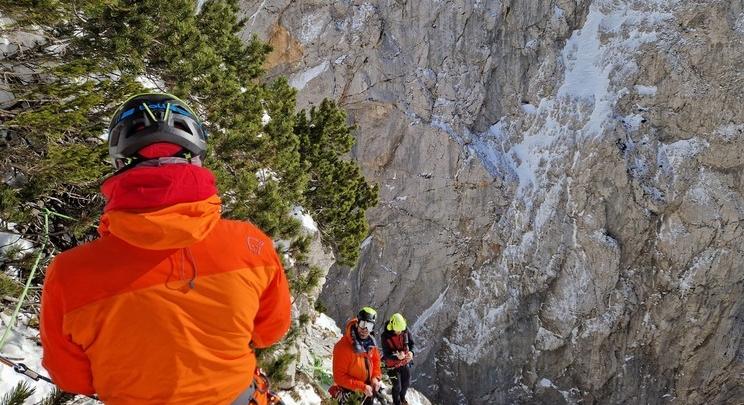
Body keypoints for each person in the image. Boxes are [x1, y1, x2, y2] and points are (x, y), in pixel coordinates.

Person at [40, 93, 291, 405]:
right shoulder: (250, 245)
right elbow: (270, 330)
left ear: (120, 164)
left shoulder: (69, 274)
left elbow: (72, 378)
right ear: (196, 157)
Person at [331, 306, 383, 404]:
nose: (365, 329)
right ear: (357, 323)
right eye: (363, 324)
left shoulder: (370, 343)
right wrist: (362, 387)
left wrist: (375, 378)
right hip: (350, 391)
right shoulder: (343, 347)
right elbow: (339, 377)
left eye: (369, 326)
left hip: (367, 389)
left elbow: (376, 361)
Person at [381, 313, 415, 405]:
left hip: (403, 362)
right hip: (392, 366)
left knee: (406, 383)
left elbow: (412, 344)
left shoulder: (405, 330)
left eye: (401, 330)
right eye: (397, 330)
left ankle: (402, 398)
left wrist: (411, 352)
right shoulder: (385, 336)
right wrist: (396, 356)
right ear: (391, 326)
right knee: (397, 386)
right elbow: (386, 354)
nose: (399, 332)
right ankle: (396, 402)